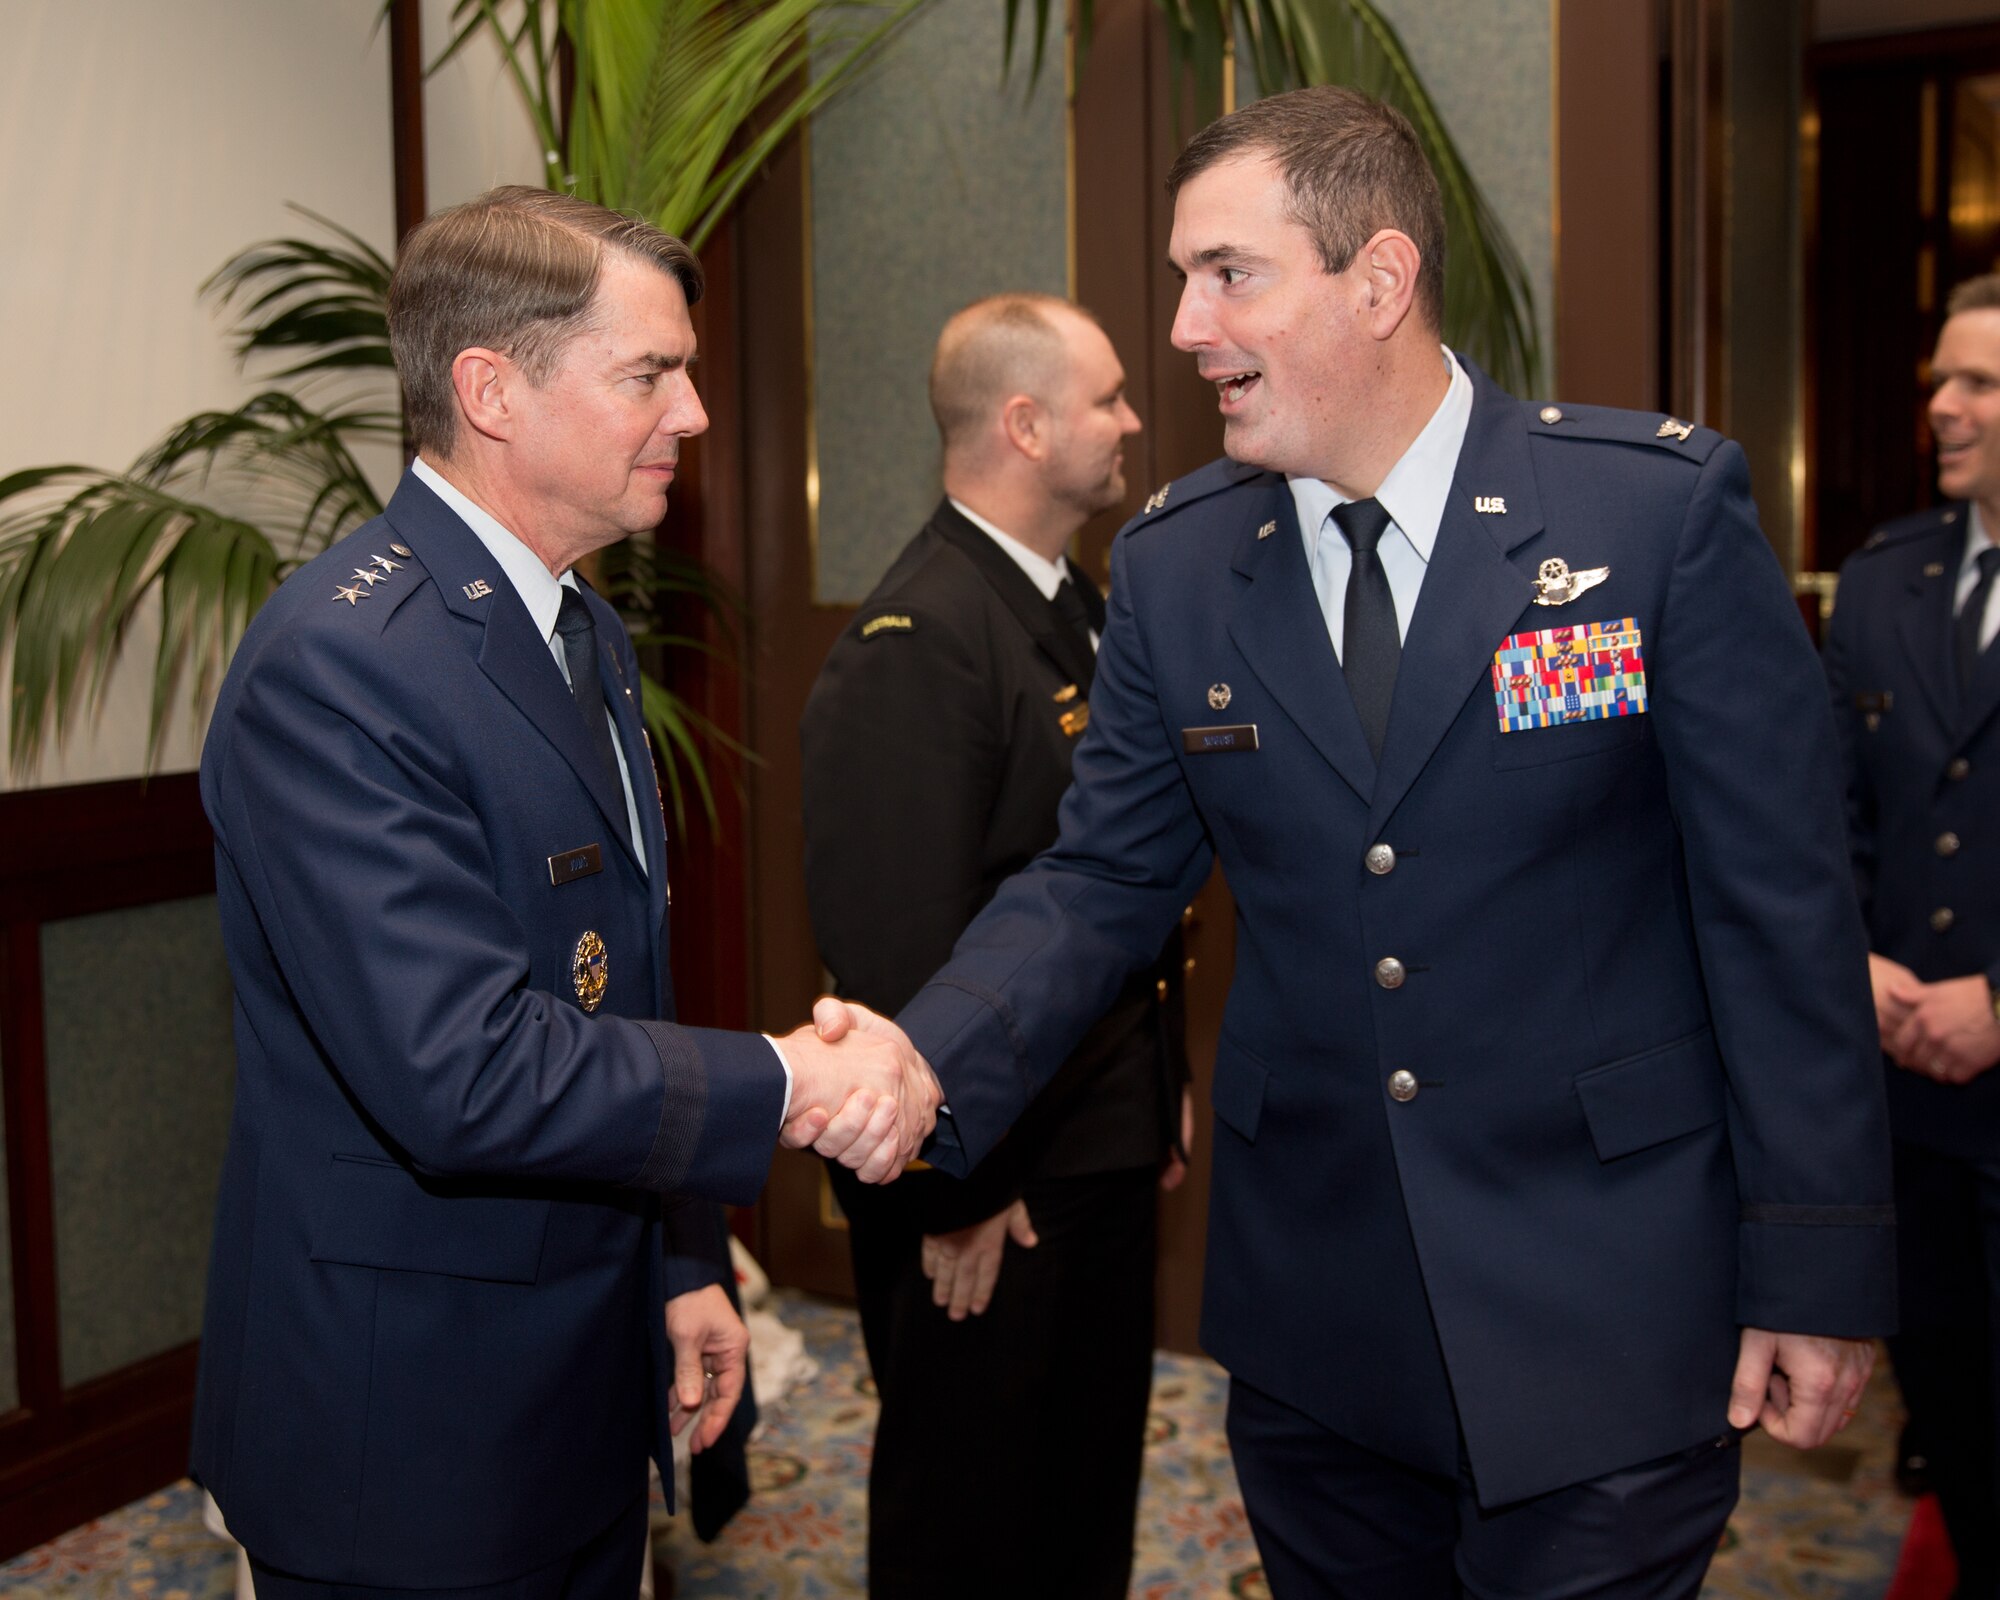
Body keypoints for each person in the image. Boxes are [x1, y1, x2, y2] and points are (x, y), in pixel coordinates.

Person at [845, 88, 1897, 1595]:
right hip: (1318, 1320)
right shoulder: (1180, 562)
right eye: (1183, 281)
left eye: (1230, 274)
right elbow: (1100, 881)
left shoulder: (1649, 515)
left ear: (1380, 281)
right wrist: (922, 1052)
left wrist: (1818, 1262)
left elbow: (1779, 912)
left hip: (1607, 1301)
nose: (1191, 329)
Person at [191, 186, 937, 1598]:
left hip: (575, 1386)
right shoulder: (339, 670)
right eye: (649, 373)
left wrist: (679, 1260)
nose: (695, 414)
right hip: (405, 1442)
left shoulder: (577, 623)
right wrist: (788, 1084)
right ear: (492, 391)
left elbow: (614, 984)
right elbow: (460, 1068)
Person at [800, 294, 1189, 1598]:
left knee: (1081, 1492)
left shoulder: (1070, 600)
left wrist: (1157, 1088)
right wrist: (952, 1189)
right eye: (1110, 399)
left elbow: (1120, 890)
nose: (1133, 420)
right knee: (969, 1515)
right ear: (1024, 424)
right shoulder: (920, 641)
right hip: (992, 1181)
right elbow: (897, 951)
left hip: (1086, 1145)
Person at [1825, 271, 2000, 1597]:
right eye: (1942, 378)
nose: (1941, 404)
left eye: (1979, 384)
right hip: (1912, 1113)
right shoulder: (1887, 577)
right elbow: (1823, 808)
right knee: (1951, 1414)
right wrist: (1860, 961)